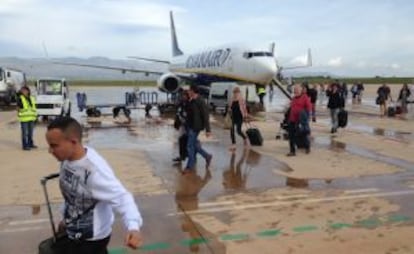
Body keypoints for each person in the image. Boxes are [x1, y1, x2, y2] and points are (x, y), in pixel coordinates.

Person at [45, 117, 143, 253]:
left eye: (54, 145)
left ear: (73, 142)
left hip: (90, 241)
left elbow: (122, 197)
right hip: (73, 234)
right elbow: (73, 195)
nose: (50, 151)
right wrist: (64, 218)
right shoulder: (67, 160)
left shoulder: (95, 172)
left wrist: (133, 227)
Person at [184, 85, 213, 173]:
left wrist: (208, 130)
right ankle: (207, 156)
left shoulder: (200, 100)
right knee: (194, 145)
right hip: (189, 126)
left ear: (193, 91)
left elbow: (205, 115)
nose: (188, 92)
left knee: (189, 146)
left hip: (195, 127)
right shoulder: (191, 100)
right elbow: (188, 112)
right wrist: (188, 101)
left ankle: (190, 166)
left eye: (189, 90)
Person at [286, 84, 312, 156]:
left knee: (302, 135)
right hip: (292, 120)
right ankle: (292, 151)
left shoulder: (305, 97)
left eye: (297, 90)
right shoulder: (293, 98)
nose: (295, 91)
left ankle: (307, 147)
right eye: (294, 90)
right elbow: (291, 109)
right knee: (291, 136)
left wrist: (306, 118)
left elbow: (309, 109)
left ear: (301, 90)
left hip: (300, 121)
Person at [228, 86, 249, 151]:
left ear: (239, 93)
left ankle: (245, 138)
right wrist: (229, 109)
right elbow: (230, 107)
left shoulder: (241, 100)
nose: (235, 94)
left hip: (240, 117)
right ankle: (233, 144)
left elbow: (244, 109)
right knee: (231, 130)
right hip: (233, 117)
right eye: (234, 92)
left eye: (237, 92)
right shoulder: (231, 99)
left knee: (238, 131)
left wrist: (245, 116)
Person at [17, 86, 37, 150]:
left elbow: (34, 107)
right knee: (24, 133)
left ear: (28, 91)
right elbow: (18, 108)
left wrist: (35, 117)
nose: (24, 92)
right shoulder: (20, 98)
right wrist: (20, 111)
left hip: (31, 118)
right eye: (23, 91)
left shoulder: (32, 98)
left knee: (30, 132)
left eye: (25, 90)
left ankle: (30, 144)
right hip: (24, 118)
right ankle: (25, 146)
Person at [172, 90, 190, 164]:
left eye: (184, 96)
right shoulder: (181, 103)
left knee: (189, 142)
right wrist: (176, 123)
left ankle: (187, 155)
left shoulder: (189, 104)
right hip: (182, 125)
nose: (183, 97)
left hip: (188, 125)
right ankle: (182, 155)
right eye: (182, 96)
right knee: (181, 140)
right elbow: (178, 114)